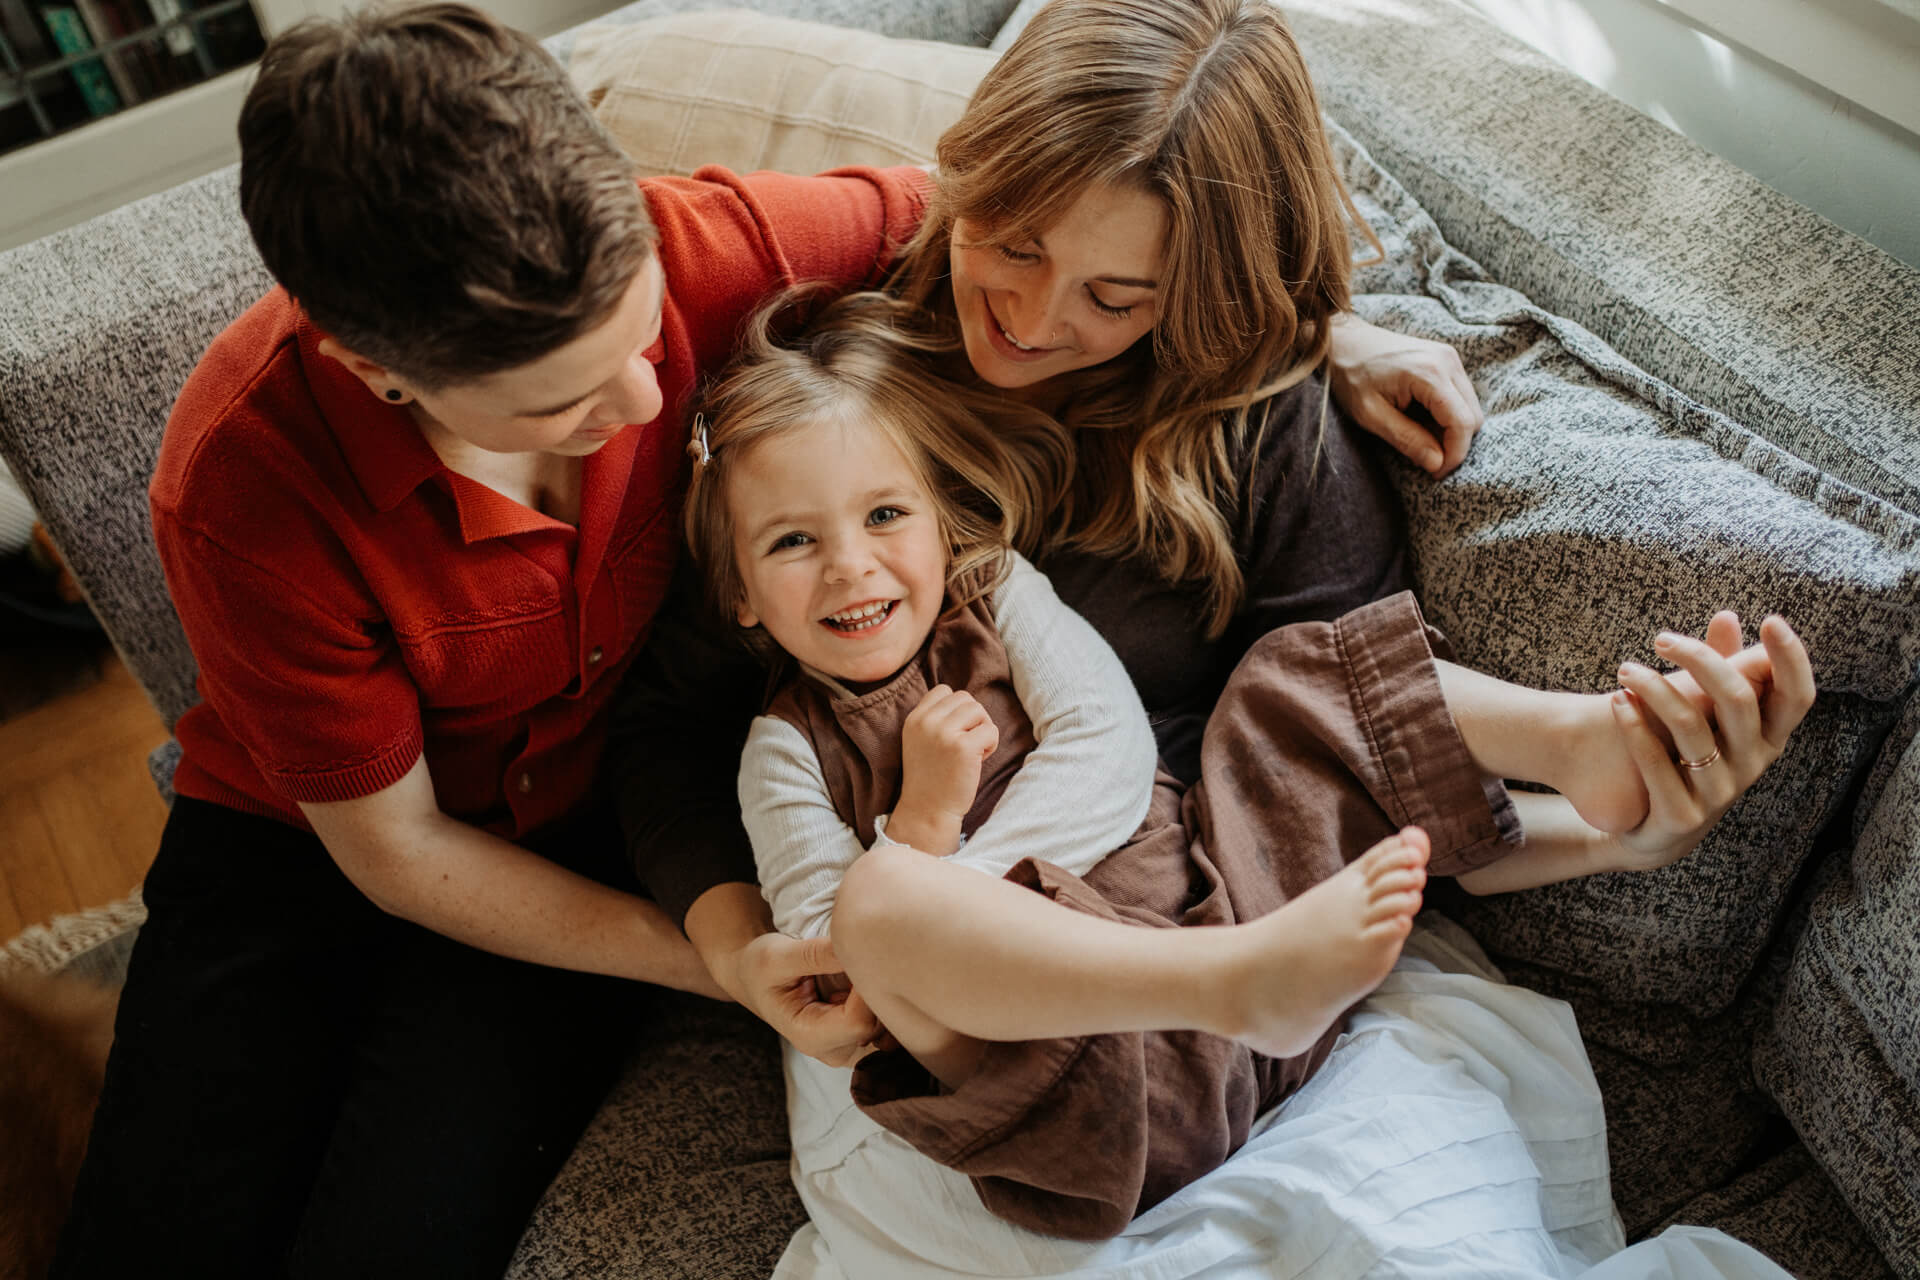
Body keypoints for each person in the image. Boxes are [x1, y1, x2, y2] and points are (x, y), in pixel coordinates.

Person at [609, 0, 1810, 1082]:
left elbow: (1358, 762)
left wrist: (1630, 838)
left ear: (1195, 289)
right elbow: (667, 726)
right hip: (949, 967)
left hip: (1193, 905)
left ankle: (1586, 740)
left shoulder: (1262, 428)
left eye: (1117, 298)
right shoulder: (849, 381)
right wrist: (738, 952)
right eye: (1014, 242)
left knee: (1302, 669)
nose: (1031, 320)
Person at [673, 292, 1812, 1242]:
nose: (851, 567)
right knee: (880, 906)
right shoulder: (783, 747)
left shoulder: (1001, 591)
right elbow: (840, 961)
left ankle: (1584, 744)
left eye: (884, 513)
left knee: (1282, 678)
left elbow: (1111, 750)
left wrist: (997, 868)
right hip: (1081, 1083)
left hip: (1218, 911)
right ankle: (1228, 982)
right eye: (792, 542)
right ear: (739, 594)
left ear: (941, 517)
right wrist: (925, 831)